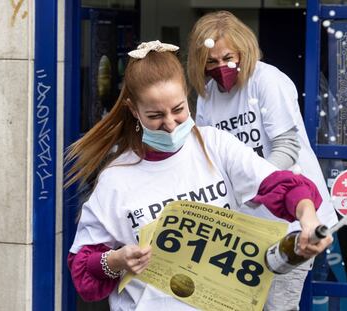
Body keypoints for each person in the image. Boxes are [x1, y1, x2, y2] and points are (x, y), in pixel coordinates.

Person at [66, 40, 333, 311]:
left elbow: (284, 186)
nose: (170, 124)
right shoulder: (116, 179)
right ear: (134, 110)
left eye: (179, 110)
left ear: (187, 97)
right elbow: (82, 268)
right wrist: (117, 260)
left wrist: (308, 218)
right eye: (155, 115)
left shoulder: (216, 145)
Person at [187, 11, 339, 311]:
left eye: (228, 57)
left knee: (277, 305)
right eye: (211, 61)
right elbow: (208, 155)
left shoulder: (267, 80)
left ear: (244, 50)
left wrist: (260, 185)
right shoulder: (207, 96)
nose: (221, 67)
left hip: (292, 219)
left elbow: (287, 146)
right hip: (244, 225)